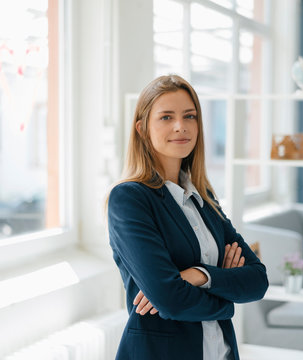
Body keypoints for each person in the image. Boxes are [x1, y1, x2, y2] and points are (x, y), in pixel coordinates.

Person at [107, 74, 268, 360]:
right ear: (142, 129)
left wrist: (197, 275)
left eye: (189, 116)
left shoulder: (203, 195)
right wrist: (227, 299)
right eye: (166, 117)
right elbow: (170, 300)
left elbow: (257, 280)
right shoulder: (130, 199)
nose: (180, 126)